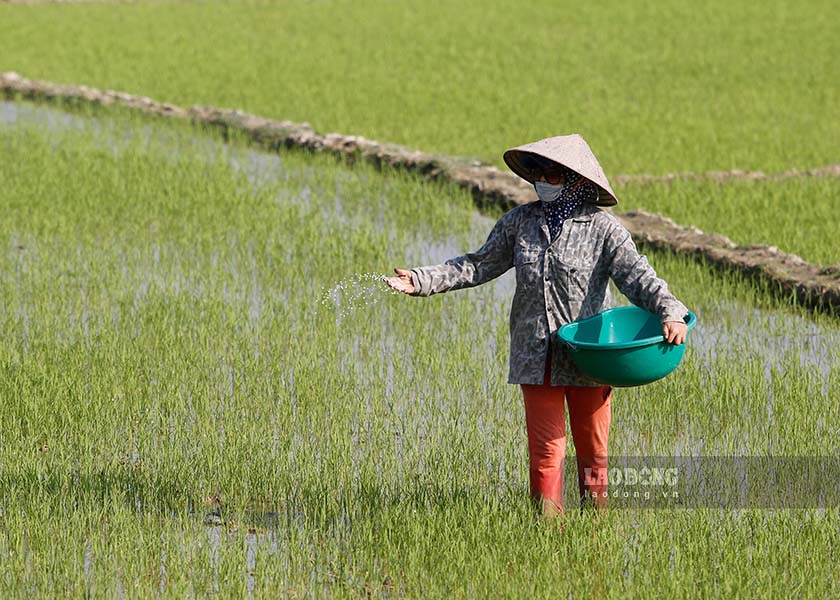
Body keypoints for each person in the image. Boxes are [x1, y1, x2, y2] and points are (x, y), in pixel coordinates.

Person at [385, 134, 689, 519]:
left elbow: (638, 277)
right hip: (536, 356)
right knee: (547, 452)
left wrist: (670, 311)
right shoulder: (519, 223)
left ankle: (596, 526)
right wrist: (421, 279)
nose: (543, 179)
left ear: (577, 180)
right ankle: (547, 532)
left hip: (590, 358)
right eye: (539, 172)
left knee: (593, 450)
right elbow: (478, 264)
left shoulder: (603, 230)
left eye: (554, 173)